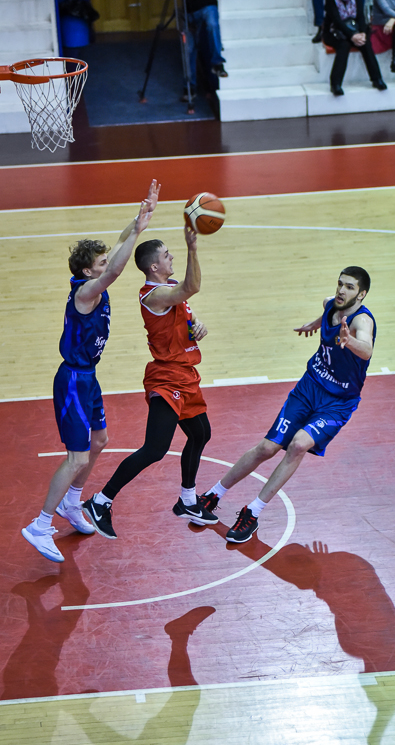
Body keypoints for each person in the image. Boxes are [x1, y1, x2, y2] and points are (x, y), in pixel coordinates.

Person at [21, 180, 160, 563]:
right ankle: (40, 525)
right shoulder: (85, 293)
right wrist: (137, 236)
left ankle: (71, 503)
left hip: (89, 377)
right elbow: (114, 269)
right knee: (77, 458)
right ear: (88, 271)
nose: (107, 264)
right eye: (99, 263)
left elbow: (116, 250)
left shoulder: (92, 283)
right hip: (72, 380)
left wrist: (139, 221)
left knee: (99, 441)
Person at [198, 267, 376, 544]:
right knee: (266, 448)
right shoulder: (331, 304)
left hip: (337, 402)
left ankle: (252, 512)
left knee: (298, 445)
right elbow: (327, 314)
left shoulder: (362, 321)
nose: (342, 290)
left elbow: (366, 348)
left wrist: (349, 340)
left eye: (350, 287)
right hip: (309, 388)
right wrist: (314, 325)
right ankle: (214, 494)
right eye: (340, 284)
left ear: (361, 294)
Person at [82, 226, 218, 539]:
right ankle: (100, 502)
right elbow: (192, 287)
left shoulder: (169, 289)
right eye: (167, 255)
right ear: (154, 266)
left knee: (201, 434)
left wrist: (197, 325)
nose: (172, 258)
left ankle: (187, 500)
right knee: (155, 449)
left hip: (186, 375)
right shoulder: (154, 295)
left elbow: (185, 312)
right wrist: (193, 247)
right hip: (167, 378)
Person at [159, 0, 227, 100]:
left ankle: (217, 63)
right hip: (188, 12)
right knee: (188, 49)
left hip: (207, 7)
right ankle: (189, 87)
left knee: (212, 24)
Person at [323, 0, 387, 94]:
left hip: (354, 28)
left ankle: (377, 79)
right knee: (344, 45)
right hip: (334, 31)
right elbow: (337, 21)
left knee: (365, 43)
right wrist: (352, 35)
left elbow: (360, 16)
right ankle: (335, 84)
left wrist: (362, 33)